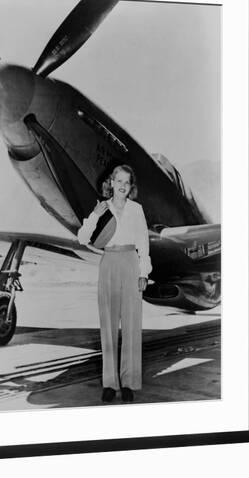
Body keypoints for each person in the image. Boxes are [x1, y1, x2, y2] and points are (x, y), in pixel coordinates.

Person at [77, 165, 151, 403]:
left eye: (126, 182)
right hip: (108, 262)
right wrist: (95, 216)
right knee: (107, 325)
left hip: (130, 262)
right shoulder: (102, 208)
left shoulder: (136, 209)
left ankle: (129, 383)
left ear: (131, 187)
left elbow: (143, 242)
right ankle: (110, 383)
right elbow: (82, 238)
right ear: (111, 182)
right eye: (118, 181)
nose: (121, 186)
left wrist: (143, 272)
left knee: (131, 324)